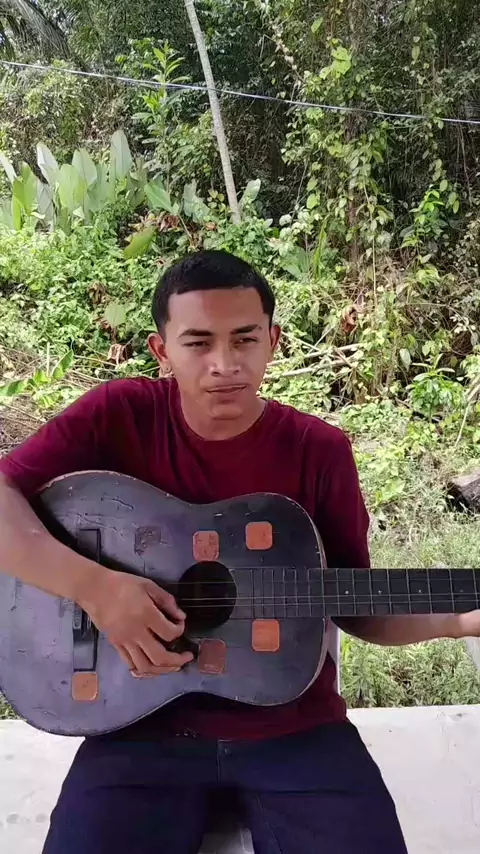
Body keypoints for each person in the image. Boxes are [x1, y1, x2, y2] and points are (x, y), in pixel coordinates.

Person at [0, 249, 478, 854]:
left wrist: (460, 620)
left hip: (295, 727)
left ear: (272, 341)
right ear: (161, 350)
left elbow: (354, 605)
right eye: (198, 342)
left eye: (245, 339)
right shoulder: (118, 416)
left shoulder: (318, 450)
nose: (225, 364)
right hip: (139, 727)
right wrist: (95, 588)